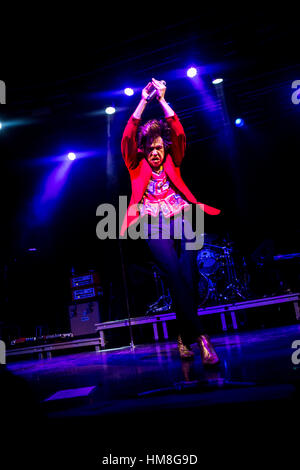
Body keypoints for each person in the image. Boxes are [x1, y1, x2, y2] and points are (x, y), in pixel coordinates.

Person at [121, 78, 220, 365]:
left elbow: (178, 131)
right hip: (153, 222)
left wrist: (163, 100)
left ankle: (181, 335)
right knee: (174, 275)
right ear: (143, 150)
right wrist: (143, 100)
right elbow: (128, 136)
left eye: (159, 147)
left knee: (188, 279)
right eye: (149, 148)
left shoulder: (172, 159)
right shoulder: (135, 163)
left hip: (181, 216)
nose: (155, 152)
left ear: (164, 148)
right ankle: (202, 339)